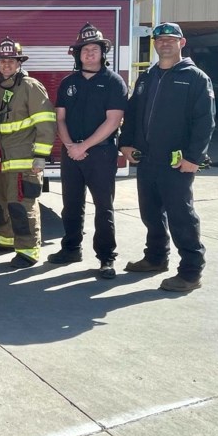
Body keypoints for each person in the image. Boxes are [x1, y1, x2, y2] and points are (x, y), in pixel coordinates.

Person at [119, 22, 215, 292]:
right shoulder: (147, 78)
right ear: (154, 44)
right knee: (150, 214)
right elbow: (133, 114)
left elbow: (204, 122)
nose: (165, 44)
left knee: (181, 216)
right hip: (147, 160)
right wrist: (125, 143)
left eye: (171, 40)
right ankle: (155, 258)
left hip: (177, 163)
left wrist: (194, 158)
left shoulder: (195, 78)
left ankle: (190, 272)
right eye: (160, 40)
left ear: (181, 43)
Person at [49, 23, 129, 278]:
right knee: (70, 204)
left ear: (103, 52)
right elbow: (59, 118)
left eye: (94, 49)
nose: (89, 53)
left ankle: (106, 258)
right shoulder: (68, 82)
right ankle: (71, 248)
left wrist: (83, 146)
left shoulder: (114, 82)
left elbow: (113, 120)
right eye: (84, 50)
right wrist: (71, 146)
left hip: (101, 154)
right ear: (77, 54)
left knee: (103, 207)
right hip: (71, 152)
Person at [0, 36, 56, 269]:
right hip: (2, 160)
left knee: (22, 205)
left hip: (25, 160)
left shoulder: (30, 87)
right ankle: (5, 239)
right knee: (0, 202)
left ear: (19, 63)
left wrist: (41, 158)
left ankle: (28, 250)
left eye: (11, 61)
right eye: (2, 61)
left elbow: (45, 122)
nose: (6, 65)